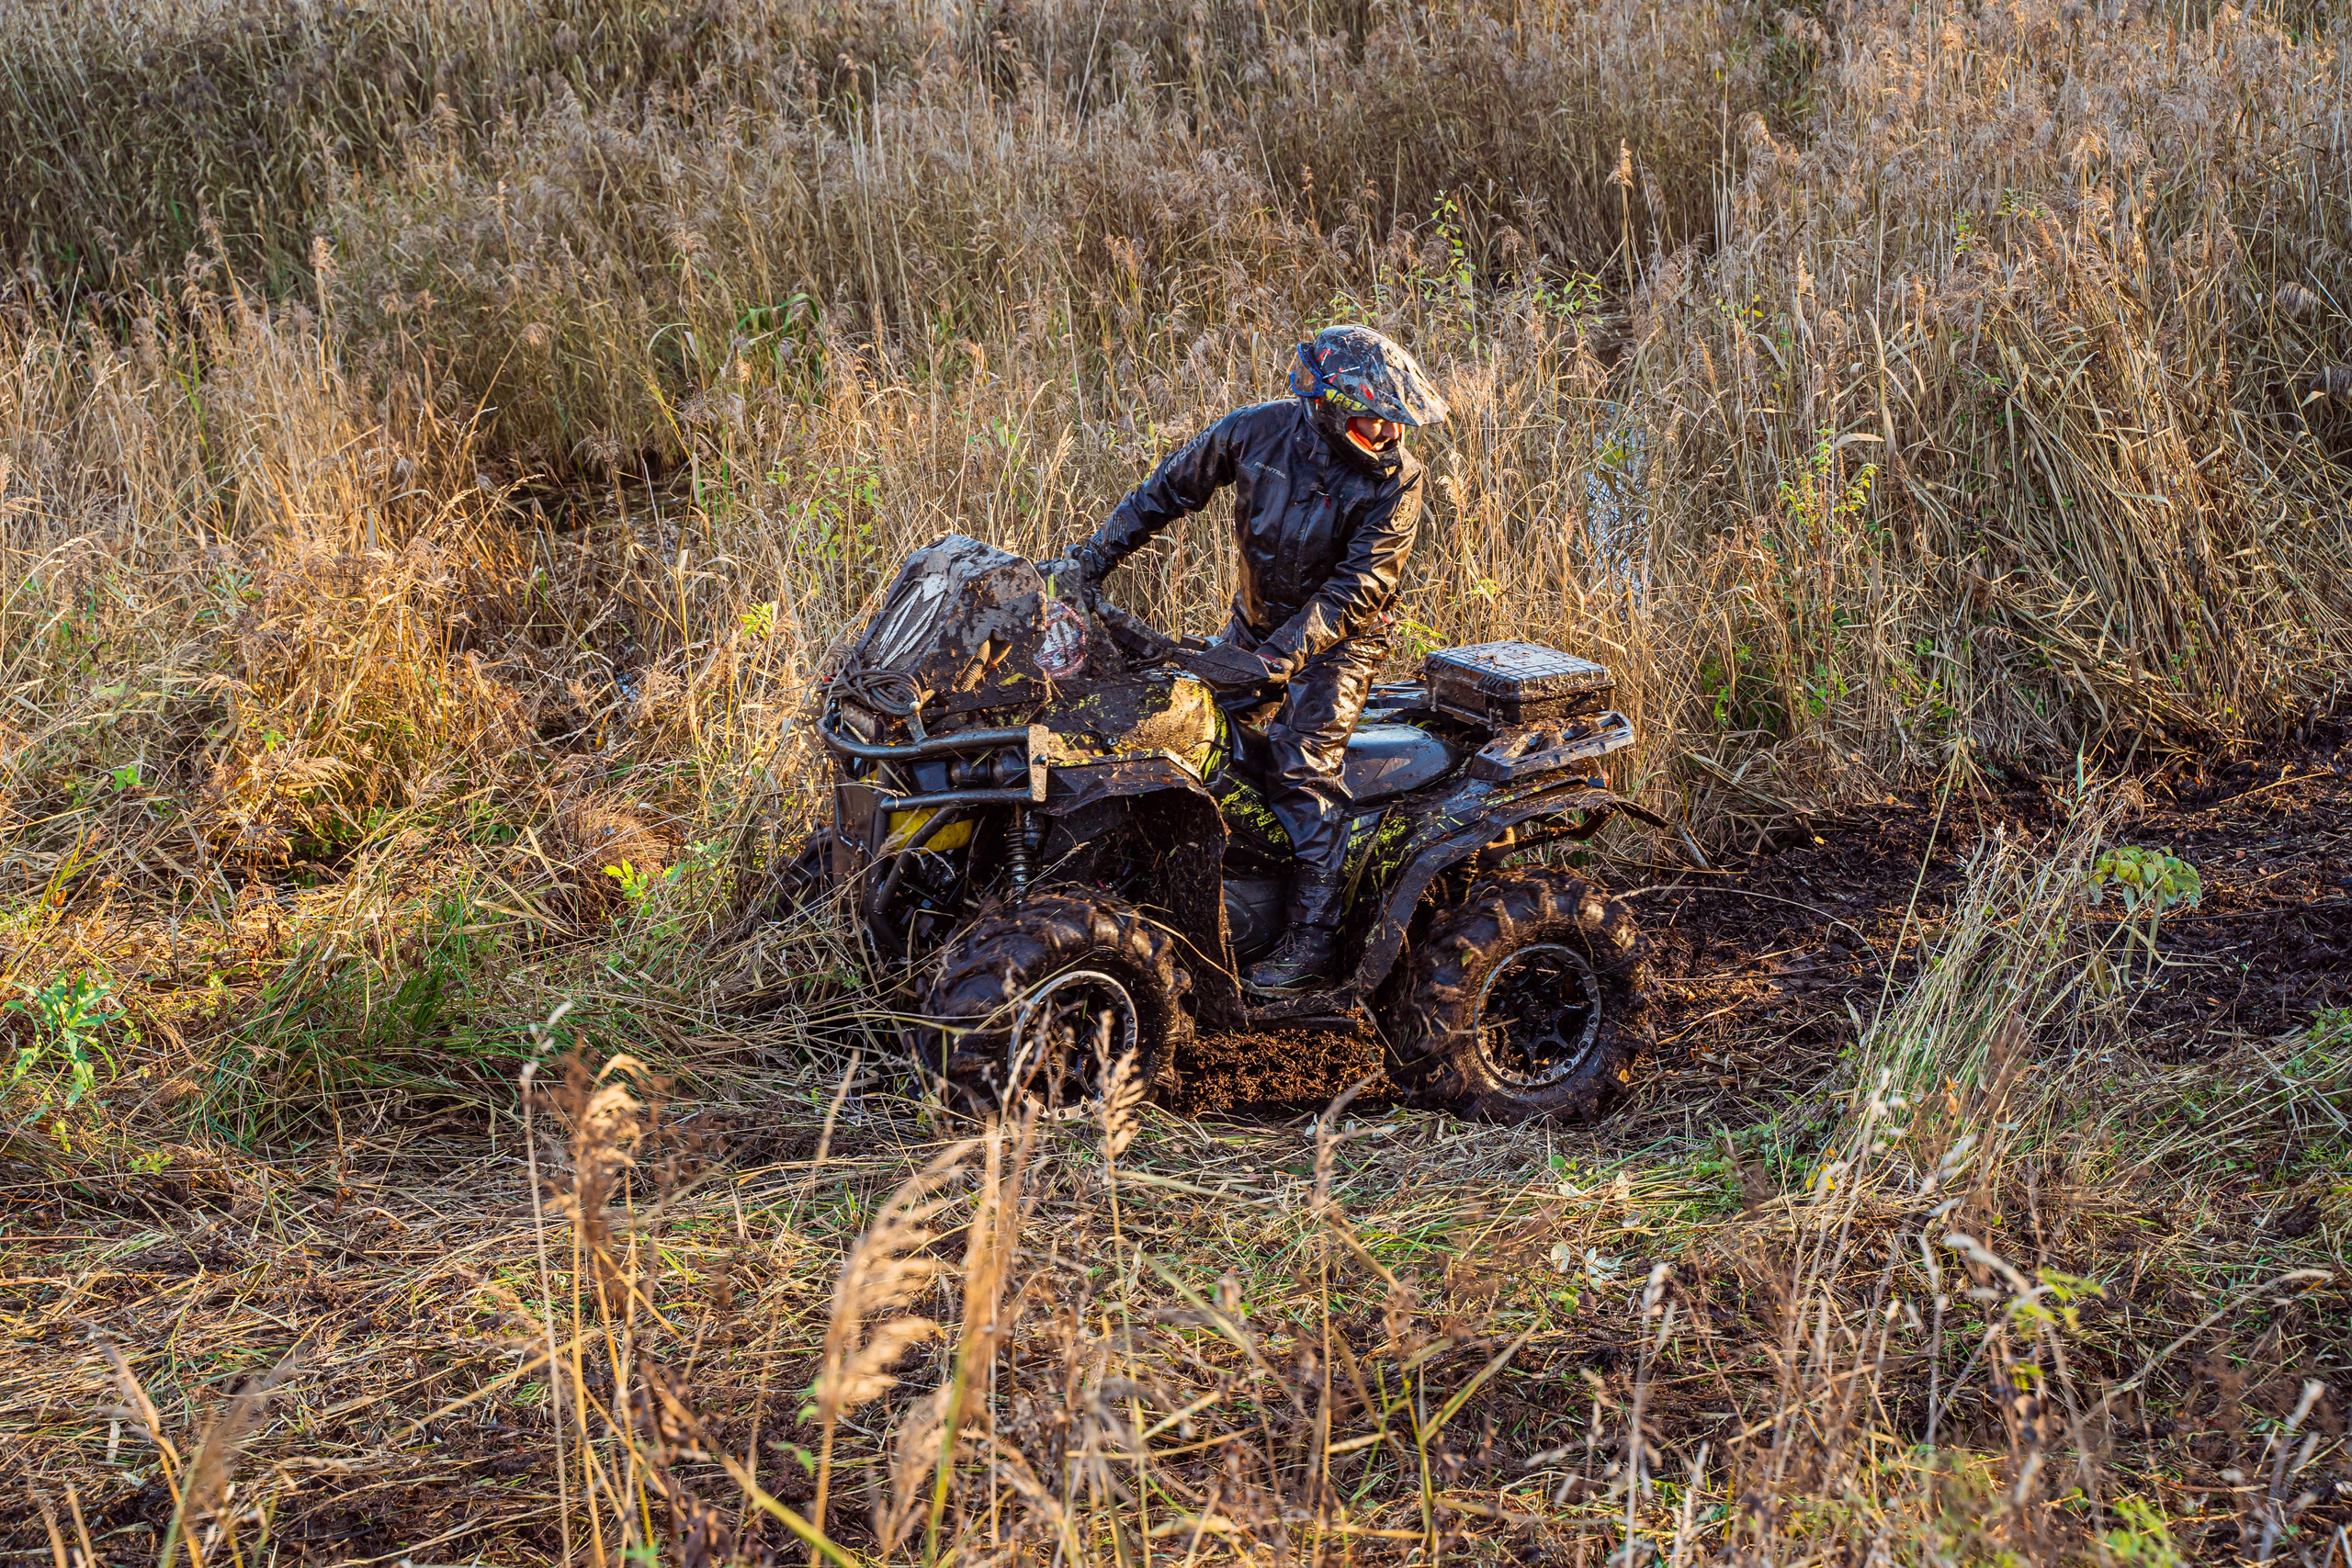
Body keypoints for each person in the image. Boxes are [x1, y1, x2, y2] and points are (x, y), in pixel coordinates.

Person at [1042, 324, 1447, 990]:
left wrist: (1280, 659)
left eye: (1394, 420)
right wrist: (1086, 564)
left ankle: (1313, 938)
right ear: (1326, 406)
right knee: (1182, 728)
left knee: (1300, 766)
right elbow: (1163, 492)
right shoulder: (1253, 432)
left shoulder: (1398, 481)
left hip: (1341, 645)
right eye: (1372, 417)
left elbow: (1360, 587)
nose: (1387, 432)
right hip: (1255, 625)